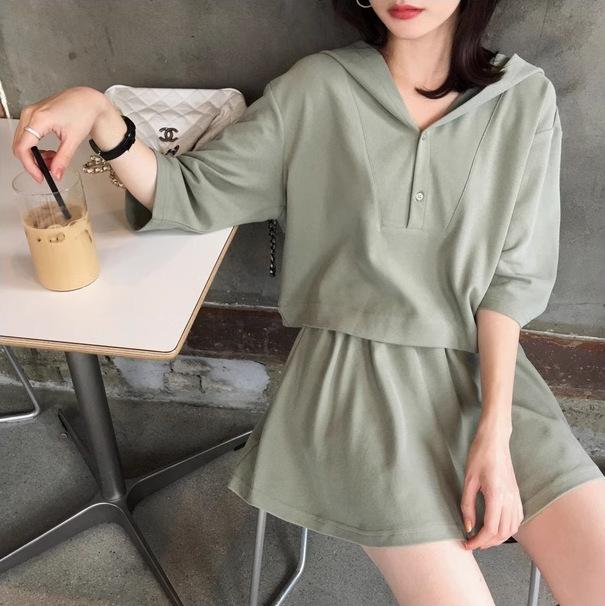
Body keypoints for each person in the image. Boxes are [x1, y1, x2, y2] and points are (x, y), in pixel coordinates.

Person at [12, 1, 605, 604]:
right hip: (354, 383)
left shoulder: (523, 97)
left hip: (483, 373)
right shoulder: (316, 89)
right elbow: (188, 194)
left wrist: (495, 433)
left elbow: (513, 281)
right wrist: (101, 113)